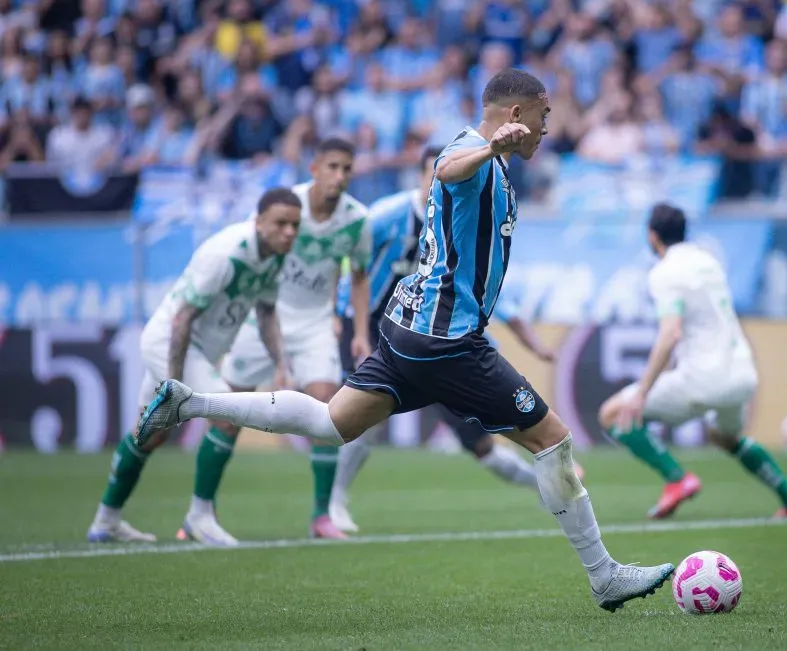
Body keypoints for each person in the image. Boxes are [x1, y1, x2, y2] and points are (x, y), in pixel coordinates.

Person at [135, 69, 675, 611]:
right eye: (543, 116)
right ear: (516, 115)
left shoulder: (494, 163)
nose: (547, 128)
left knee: (331, 424)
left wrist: (494, 153)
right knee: (551, 440)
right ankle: (604, 576)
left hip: (411, 328)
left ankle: (189, 402)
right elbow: (444, 170)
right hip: (447, 339)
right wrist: (491, 148)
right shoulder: (472, 151)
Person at [327, 146, 562, 533]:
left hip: (434, 342)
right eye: (432, 175)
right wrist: (345, 321)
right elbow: (354, 263)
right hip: (375, 331)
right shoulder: (389, 216)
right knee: (358, 420)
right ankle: (335, 503)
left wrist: (534, 345)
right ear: (424, 176)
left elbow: (490, 292)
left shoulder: (460, 222)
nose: (438, 183)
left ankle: (543, 487)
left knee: (483, 445)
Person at [87, 189, 301, 543]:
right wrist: (174, 382)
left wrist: (282, 364)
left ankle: (105, 520)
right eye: (281, 224)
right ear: (258, 221)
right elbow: (182, 319)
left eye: (295, 225)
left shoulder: (276, 256)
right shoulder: (225, 254)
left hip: (192, 348)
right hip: (172, 344)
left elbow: (265, 313)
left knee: (151, 434)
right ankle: (200, 517)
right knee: (230, 416)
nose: (289, 232)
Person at [597, 202, 787, 520]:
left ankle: (677, 479)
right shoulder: (708, 261)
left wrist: (643, 392)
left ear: (652, 236)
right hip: (741, 375)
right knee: (724, 436)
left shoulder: (664, 272)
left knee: (613, 414)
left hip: (702, 378)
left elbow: (670, 333)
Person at [204, 138, 372, 544]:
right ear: (313, 168)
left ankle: (321, 515)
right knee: (227, 413)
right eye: (332, 166)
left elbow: (359, 273)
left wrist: (361, 332)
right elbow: (252, 253)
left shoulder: (357, 219)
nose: (340, 176)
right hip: (266, 315)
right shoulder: (285, 207)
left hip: (315, 324)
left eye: (347, 168)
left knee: (329, 412)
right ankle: (200, 510)